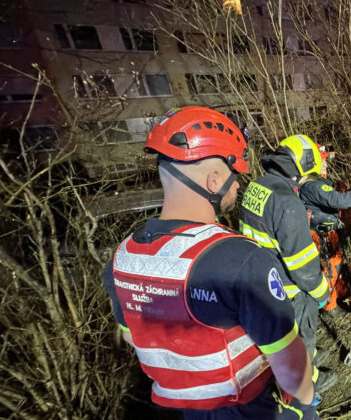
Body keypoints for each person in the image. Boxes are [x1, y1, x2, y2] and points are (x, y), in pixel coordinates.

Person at [100, 107, 317, 419]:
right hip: (252, 408)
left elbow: (132, 336)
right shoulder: (239, 259)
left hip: (189, 410)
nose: (238, 186)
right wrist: (305, 400)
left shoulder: (123, 257)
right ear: (214, 180)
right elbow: (292, 369)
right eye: (235, 176)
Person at [240, 134, 337, 394]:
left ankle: (309, 360)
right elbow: (302, 266)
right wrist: (321, 292)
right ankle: (309, 381)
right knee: (300, 336)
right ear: (303, 166)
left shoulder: (257, 186)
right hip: (291, 288)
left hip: (264, 278)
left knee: (286, 337)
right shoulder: (287, 202)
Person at [298, 144, 351, 317]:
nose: (325, 164)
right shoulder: (312, 185)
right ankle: (330, 305)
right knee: (327, 268)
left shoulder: (318, 181)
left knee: (336, 264)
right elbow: (340, 200)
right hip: (318, 235)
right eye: (322, 160)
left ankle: (340, 291)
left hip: (328, 233)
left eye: (326, 160)